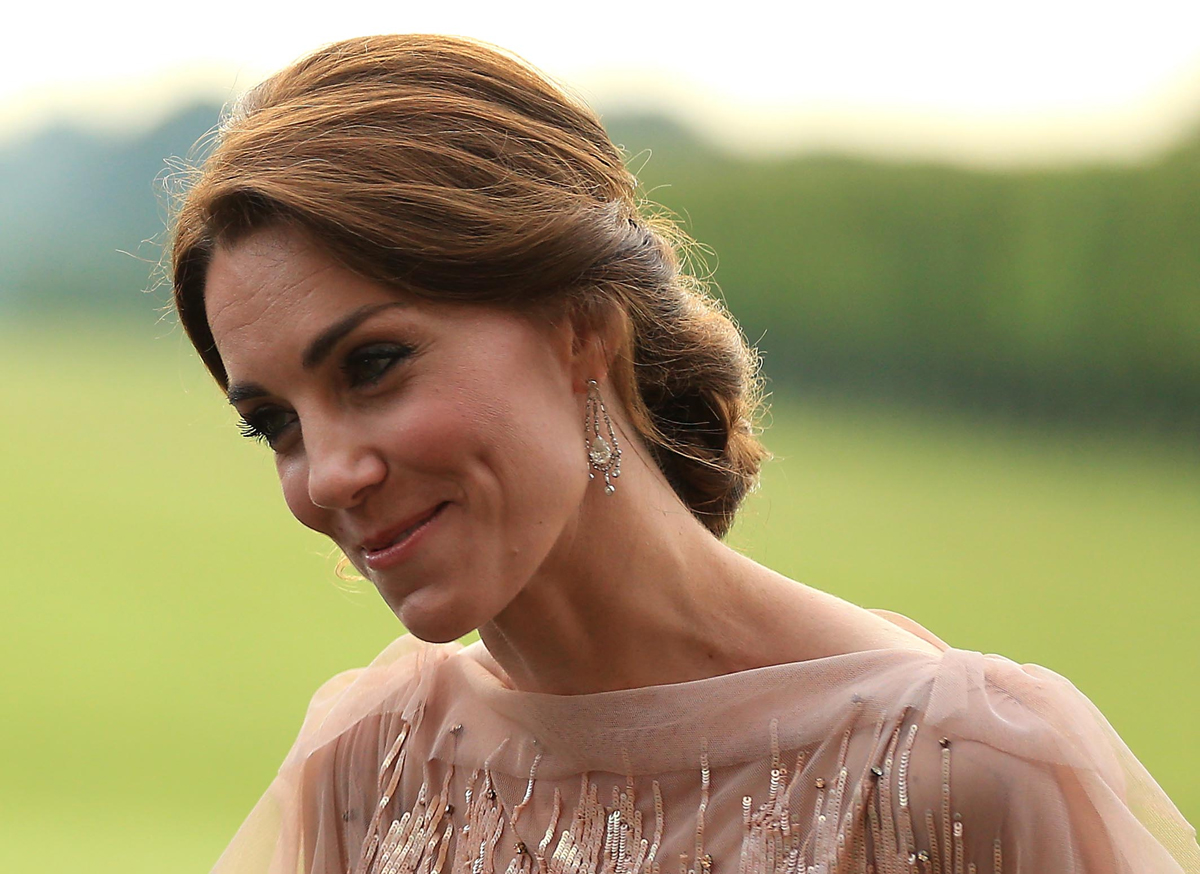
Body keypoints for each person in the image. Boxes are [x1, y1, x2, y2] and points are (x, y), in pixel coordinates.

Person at [170, 34, 1199, 874]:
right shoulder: (369, 769)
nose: (328, 474)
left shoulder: (957, 770)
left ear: (580, 326)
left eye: (375, 363)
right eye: (277, 425)